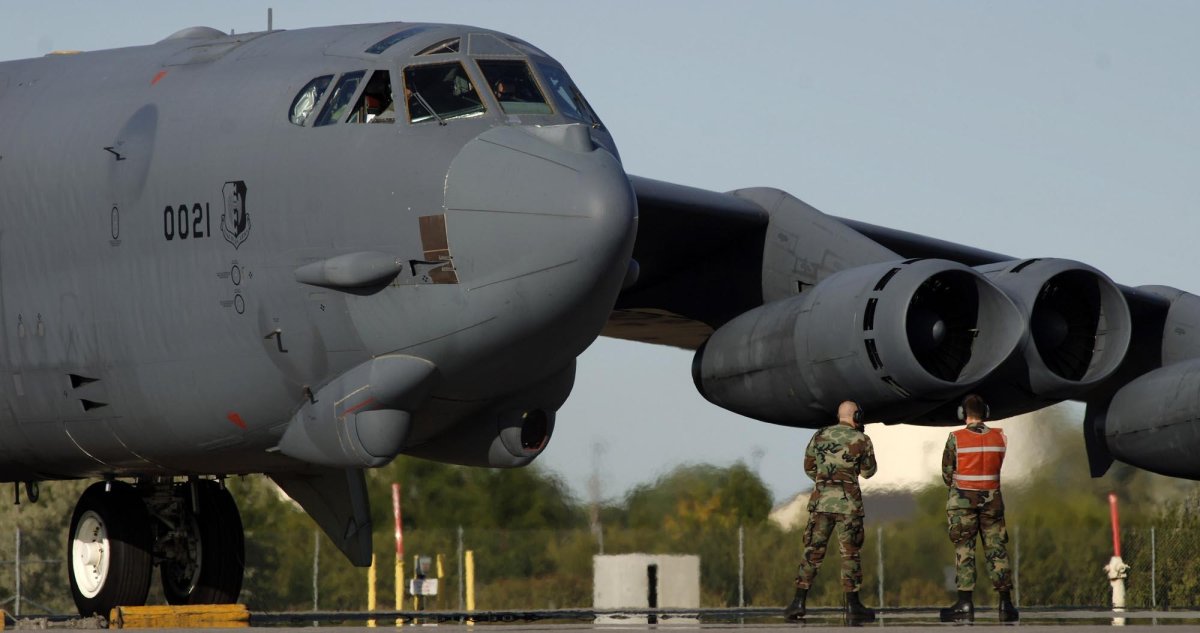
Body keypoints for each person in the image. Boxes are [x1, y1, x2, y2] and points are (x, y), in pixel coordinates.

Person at [784, 400, 878, 622]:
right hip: (849, 506)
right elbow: (869, 471)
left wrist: (825, 481)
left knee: (813, 552)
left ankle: (798, 602)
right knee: (850, 554)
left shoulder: (820, 436)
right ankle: (853, 606)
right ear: (856, 416)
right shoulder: (861, 440)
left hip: (822, 504)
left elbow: (809, 467)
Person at [939, 394, 1019, 622]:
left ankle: (965, 604)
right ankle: (1006, 604)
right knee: (997, 550)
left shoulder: (956, 437)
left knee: (965, 551)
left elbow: (947, 474)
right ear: (986, 412)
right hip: (992, 501)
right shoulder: (999, 437)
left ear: (963, 414)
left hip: (963, 502)